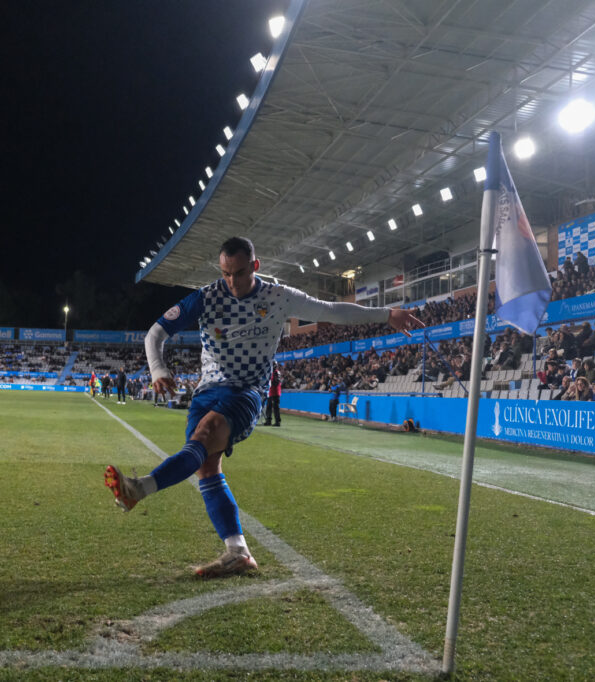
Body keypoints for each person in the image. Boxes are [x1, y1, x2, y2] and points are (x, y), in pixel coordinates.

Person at [102, 237, 423, 578]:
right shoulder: (206, 298)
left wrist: (386, 314)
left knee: (206, 434)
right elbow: (154, 334)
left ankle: (140, 488)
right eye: (226, 273)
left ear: (255, 267)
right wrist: (158, 369)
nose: (232, 282)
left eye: (239, 273)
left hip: (246, 392)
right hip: (206, 391)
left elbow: (331, 311)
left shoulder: (278, 297)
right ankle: (237, 552)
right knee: (206, 467)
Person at [262, 361, 282, 427]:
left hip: (275, 392)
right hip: (271, 392)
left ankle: (277, 422)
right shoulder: (271, 373)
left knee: (276, 408)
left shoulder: (276, 372)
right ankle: (268, 421)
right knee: (269, 407)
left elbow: (277, 381)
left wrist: (270, 382)